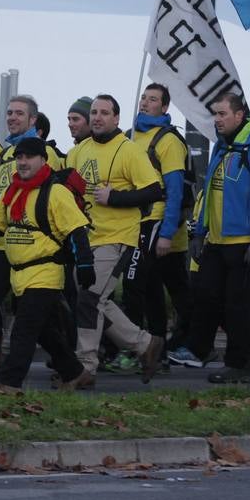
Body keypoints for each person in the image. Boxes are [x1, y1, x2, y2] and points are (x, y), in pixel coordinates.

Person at [0, 137, 90, 390]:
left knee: (22, 331)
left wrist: (85, 265)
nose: (22, 162)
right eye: (19, 157)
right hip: (19, 277)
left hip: (45, 274)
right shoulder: (11, 191)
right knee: (45, 332)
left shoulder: (56, 192)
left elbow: (77, 231)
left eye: (29, 157)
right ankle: (75, 372)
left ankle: (8, 384)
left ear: (43, 160)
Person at [65, 94, 166, 384]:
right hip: (85, 238)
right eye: (94, 112)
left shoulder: (129, 150)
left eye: (105, 113)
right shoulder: (79, 151)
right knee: (95, 300)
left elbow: (154, 191)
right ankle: (145, 344)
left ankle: (85, 367)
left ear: (116, 118)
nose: (98, 117)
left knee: (89, 298)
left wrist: (115, 197)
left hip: (117, 237)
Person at [186, 91, 250, 383]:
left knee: (236, 304)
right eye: (215, 113)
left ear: (239, 116)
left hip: (243, 242)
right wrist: (199, 232)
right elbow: (209, 191)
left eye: (222, 114)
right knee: (207, 296)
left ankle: (238, 365)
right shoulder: (222, 148)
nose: (217, 119)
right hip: (217, 241)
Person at [0, 95, 63, 366]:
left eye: (19, 114)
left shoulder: (48, 155)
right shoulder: (4, 152)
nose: (12, 117)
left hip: (36, 250)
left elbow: (49, 196)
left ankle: (69, 364)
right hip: (3, 245)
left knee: (44, 317)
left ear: (33, 120)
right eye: (9, 113)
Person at [123, 83, 193, 370]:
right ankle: (158, 349)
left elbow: (175, 190)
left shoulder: (168, 141)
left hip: (156, 222)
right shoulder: (131, 137)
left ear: (164, 108)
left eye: (152, 100)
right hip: (135, 222)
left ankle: (140, 347)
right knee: (154, 289)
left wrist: (166, 233)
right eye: (143, 97)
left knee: (135, 284)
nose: (145, 103)